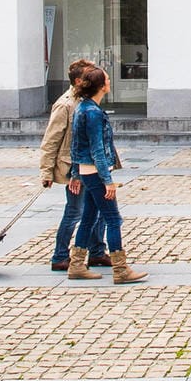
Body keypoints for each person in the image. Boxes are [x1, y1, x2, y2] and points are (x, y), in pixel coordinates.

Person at [67, 66, 146, 284]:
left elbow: (75, 145)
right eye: (108, 80)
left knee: (89, 217)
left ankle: (76, 265)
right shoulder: (92, 112)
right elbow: (97, 149)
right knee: (113, 219)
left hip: (87, 171)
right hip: (95, 173)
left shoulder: (83, 108)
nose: (110, 82)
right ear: (101, 86)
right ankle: (120, 269)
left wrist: (76, 172)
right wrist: (107, 180)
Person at [38, 58, 96, 272]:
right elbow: (51, 140)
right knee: (74, 211)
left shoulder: (86, 100)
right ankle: (60, 255)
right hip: (75, 167)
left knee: (95, 209)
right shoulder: (66, 104)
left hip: (89, 165)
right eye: (90, 76)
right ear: (80, 80)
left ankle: (98, 251)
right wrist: (46, 171)